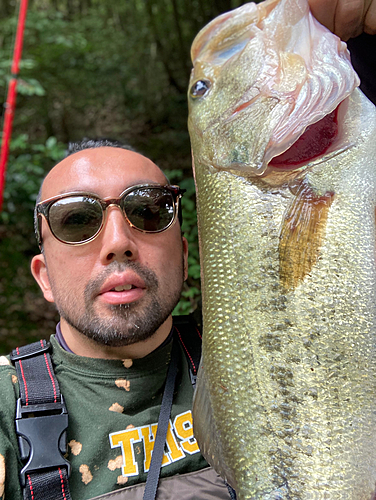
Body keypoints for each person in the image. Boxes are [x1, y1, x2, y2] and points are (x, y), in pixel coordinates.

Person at [1, 2, 376, 499]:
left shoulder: (244, 339)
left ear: (183, 250)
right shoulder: (10, 406)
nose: (117, 243)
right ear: (43, 274)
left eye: (148, 211)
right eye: (77, 219)